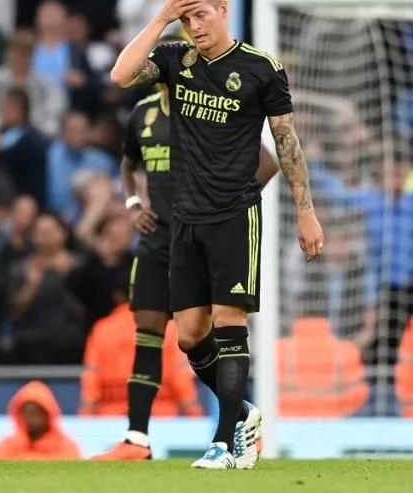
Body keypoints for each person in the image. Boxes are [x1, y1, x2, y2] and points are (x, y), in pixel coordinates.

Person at [110, 0, 323, 470]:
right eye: (186, 20)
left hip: (234, 214)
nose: (195, 27)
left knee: (229, 323)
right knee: (188, 336)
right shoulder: (174, 60)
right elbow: (121, 74)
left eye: (201, 15)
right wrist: (162, 18)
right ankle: (242, 412)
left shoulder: (261, 69)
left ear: (223, 9)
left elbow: (286, 145)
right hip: (185, 218)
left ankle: (226, 443)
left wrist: (306, 210)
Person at [92, 81, 279, 461]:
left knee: (195, 337)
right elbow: (128, 164)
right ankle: (137, 439)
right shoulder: (142, 113)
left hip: (197, 241)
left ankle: (237, 416)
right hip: (155, 241)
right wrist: (131, 203)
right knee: (146, 335)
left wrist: (225, 206)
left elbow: (267, 161)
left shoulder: (206, 109)